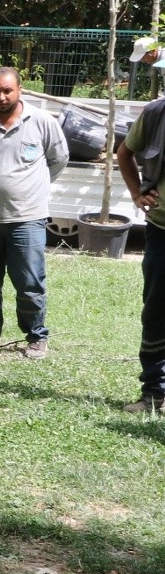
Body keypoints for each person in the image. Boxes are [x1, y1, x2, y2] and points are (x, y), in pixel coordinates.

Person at [0, 66, 69, 358]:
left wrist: (30, 188)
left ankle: (36, 337)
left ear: (20, 89)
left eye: (7, 90)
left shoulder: (42, 121)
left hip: (27, 219)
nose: (1, 96)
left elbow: (58, 160)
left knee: (30, 282)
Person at [115, 89, 165, 411]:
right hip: (162, 231)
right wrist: (136, 193)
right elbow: (124, 153)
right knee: (157, 313)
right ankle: (154, 393)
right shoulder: (156, 114)